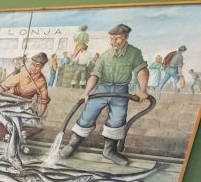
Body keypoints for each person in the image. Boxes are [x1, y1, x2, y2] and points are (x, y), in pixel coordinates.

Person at [61, 24, 149, 165]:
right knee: (87, 115)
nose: (113, 42)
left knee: (117, 120)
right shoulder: (105, 56)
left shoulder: (134, 53)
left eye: (117, 39)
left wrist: (143, 90)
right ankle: (72, 145)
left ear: (126, 37)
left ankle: (109, 151)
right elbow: (95, 75)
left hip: (121, 92)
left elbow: (142, 71)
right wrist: (86, 92)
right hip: (102, 89)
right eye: (112, 39)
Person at [0, 52, 51, 169]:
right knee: (15, 123)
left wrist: (39, 116)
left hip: (21, 108)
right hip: (7, 103)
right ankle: (13, 156)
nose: (33, 67)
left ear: (42, 66)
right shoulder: (21, 75)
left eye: (37, 65)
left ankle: (12, 150)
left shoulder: (42, 82)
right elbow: (1, 87)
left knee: (16, 123)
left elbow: (44, 100)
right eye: (32, 64)